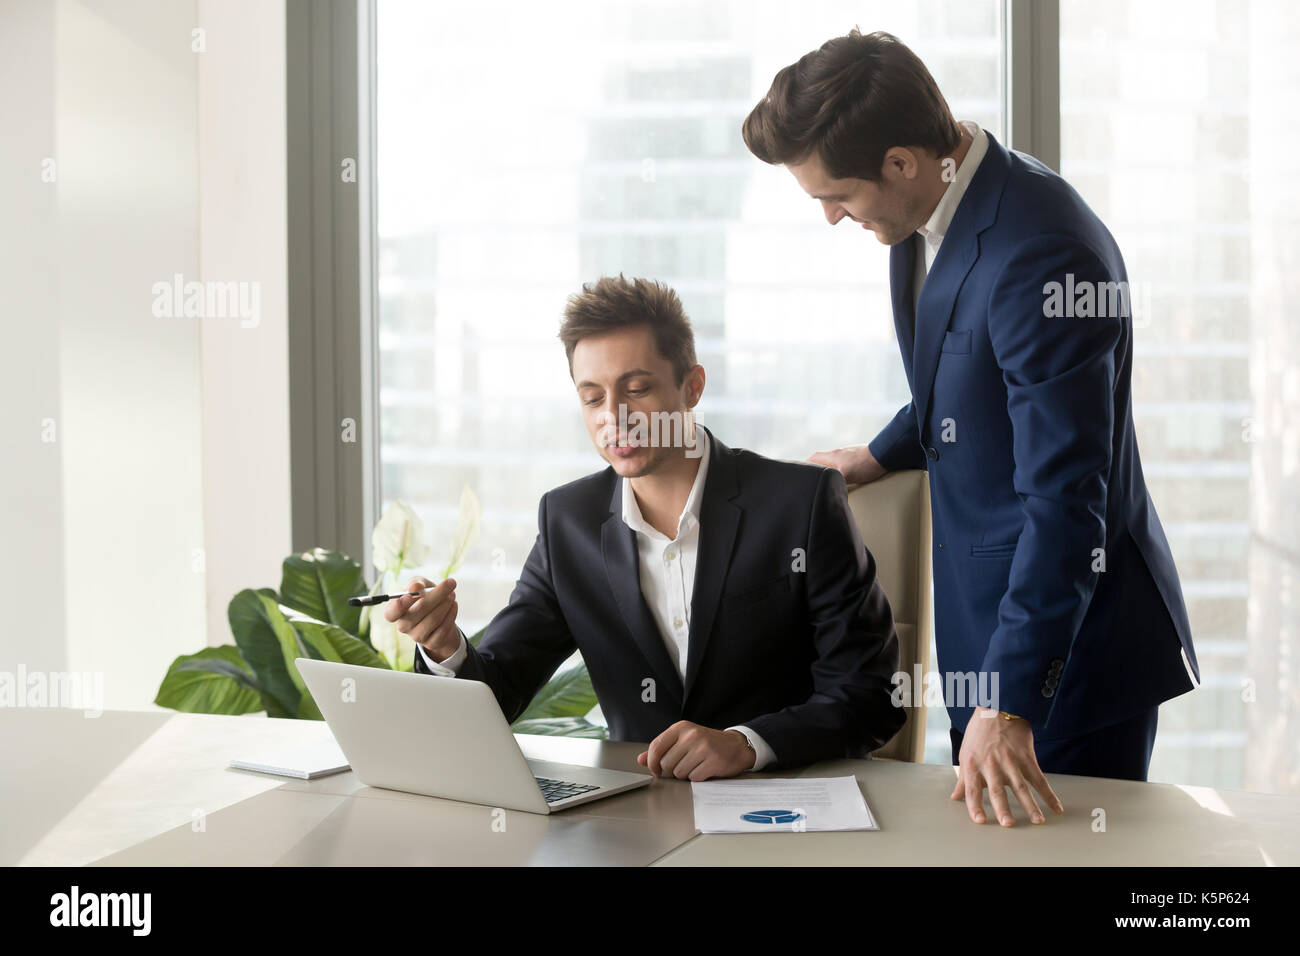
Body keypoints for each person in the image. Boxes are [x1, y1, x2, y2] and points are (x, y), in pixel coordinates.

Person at [743, 29, 1199, 823]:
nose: (828, 216)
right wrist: (879, 453)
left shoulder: (1043, 253)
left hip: (1067, 664)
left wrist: (1013, 698)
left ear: (901, 163)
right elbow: (964, 379)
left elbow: (1066, 504)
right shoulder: (928, 214)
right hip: (983, 638)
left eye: (836, 195)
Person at [389, 275, 904, 778]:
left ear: (692, 386)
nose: (614, 417)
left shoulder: (800, 503)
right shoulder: (569, 522)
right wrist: (443, 646)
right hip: (638, 824)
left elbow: (869, 695)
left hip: (787, 810)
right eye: (592, 398)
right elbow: (499, 691)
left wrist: (747, 745)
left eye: (635, 389)